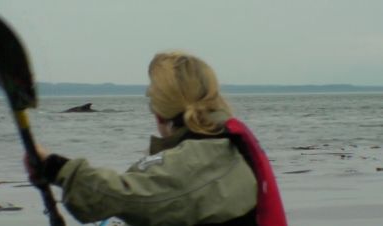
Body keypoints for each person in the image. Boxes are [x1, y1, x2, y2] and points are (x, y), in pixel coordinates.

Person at [25, 51, 287, 226]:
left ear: (161, 110)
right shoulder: (226, 144)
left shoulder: (197, 161)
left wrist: (55, 167)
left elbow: (116, 196)